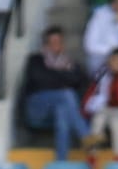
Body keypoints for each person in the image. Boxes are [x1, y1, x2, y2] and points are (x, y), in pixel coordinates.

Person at [23, 26, 91, 160]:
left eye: (59, 42)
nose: (56, 46)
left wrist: (56, 76)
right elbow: (40, 80)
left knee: (63, 112)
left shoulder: (70, 63)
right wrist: (64, 75)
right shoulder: (35, 60)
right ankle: (86, 136)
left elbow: (80, 80)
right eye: (52, 43)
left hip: (57, 109)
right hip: (37, 108)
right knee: (66, 94)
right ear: (45, 45)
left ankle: (61, 160)